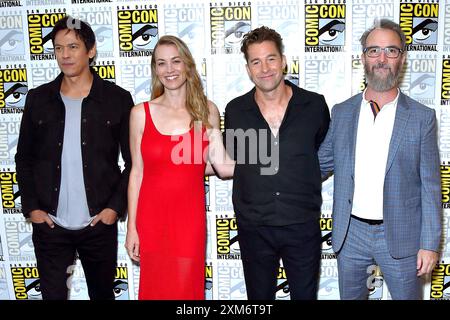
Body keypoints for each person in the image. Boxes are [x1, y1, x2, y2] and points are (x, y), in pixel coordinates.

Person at [318, 19, 441, 300]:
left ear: (402, 58)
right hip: (350, 235)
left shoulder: (422, 118)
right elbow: (318, 165)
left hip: (400, 237)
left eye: (391, 51)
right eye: (374, 51)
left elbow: (431, 187)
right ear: (363, 57)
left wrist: (430, 245)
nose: (381, 59)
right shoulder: (342, 112)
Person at [15, 16, 134, 300]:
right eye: (58, 48)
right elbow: (24, 158)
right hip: (50, 225)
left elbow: (133, 162)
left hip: (98, 224)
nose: (65, 55)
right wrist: (33, 208)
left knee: (102, 296)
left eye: (73, 46)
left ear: (90, 50)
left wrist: (113, 210)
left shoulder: (117, 99)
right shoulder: (37, 99)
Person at [224, 26, 330, 300]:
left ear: (283, 61)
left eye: (271, 58)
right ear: (248, 68)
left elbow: (322, 155)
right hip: (254, 228)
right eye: (255, 61)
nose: (265, 68)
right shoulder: (235, 110)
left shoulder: (315, 105)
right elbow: (236, 160)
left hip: (302, 225)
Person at [125, 35, 234, 300]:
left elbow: (224, 166)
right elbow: (136, 173)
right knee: (154, 289)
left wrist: (270, 154)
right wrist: (132, 228)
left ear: (187, 65)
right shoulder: (140, 113)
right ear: (155, 69)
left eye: (176, 61)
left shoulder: (207, 110)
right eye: (162, 63)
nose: (170, 69)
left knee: (187, 290)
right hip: (150, 220)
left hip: (188, 221)